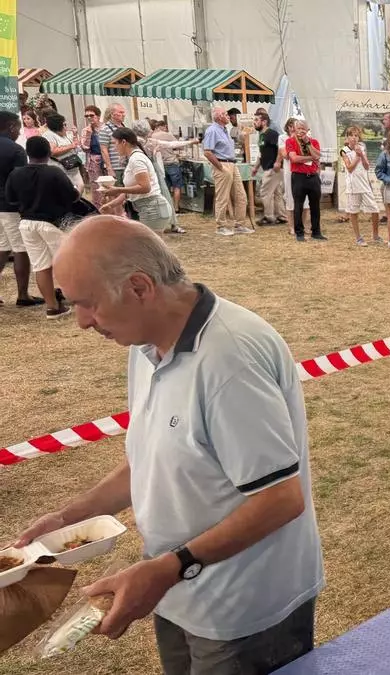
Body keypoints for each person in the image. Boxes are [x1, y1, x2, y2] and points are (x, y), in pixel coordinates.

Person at [16, 216, 324, 674]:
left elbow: (280, 499)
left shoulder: (229, 359)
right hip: (179, 587)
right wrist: (68, 517)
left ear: (140, 288)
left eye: (88, 304)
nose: (80, 322)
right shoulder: (146, 345)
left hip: (241, 608)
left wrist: (168, 568)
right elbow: (150, 457)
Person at [5, 136, 75, 318]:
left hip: (26, 223)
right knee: (68, 262)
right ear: (48, 152)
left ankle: (52, 306)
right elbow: (72, 195)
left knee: (41, 266)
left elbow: (10, 198)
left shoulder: (16, 174)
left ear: (28, 153)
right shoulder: (54, 172)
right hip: (52, 222)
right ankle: (78, 298)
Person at [98, 128, 176, 235]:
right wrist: (111, 204)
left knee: (147, 247)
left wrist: (117, 189)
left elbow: (145, 187)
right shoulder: (134, 158)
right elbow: (128, 193)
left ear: (124, 142)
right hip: (150, 208)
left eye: (115, 143)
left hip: (152, 208)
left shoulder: (136, 159)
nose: (115, 148)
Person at [0, 111, 40, 308]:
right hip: (10, 205)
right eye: (18, 128)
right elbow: (21, 181)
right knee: (20, 249)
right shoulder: (16, 150)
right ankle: (23, 294)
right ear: (11, 127)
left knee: (2, 247)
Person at [132, 120, 194, 235]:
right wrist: (190, 142)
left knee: (157, 199)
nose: (151, 130)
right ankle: (167, 224)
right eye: (149, 128)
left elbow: (171, 144)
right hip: (151, 175)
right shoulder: (144, 143)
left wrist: (189, 142)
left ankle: (166, 224)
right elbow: (171, 145)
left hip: (150, 174)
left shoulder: (147, 142)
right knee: (161, 198)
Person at [203, 108, 250, 236]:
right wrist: (220, 166)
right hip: (222, 163)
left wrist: (243, 134)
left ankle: (240, 224)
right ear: (218, 117)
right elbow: (207, 151)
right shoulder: (212, 130)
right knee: (222, 197)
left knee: (241, 195)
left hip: (232, 163)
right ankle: (221, 226)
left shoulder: (225, 130)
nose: (228, 116)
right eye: (224, 114)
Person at [339, 126, 380, 247]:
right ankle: (358, 238)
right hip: (353, 186)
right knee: (354, 212)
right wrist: (357, 156)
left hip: (365, 185)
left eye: (356, 135)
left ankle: (376, 235)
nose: (354, 138)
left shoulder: (362, 148)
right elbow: (350, 168)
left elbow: (367, 166)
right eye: (351, 135)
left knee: (375, 210)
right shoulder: (344, 150)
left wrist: (361, 154)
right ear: (347, 137)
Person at [285, 121, 324, 242]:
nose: (301, 130)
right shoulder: (290, 141)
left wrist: (308, 144)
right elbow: (294, 158)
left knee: (315, 205)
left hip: (313, 176)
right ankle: (299, 233)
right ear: (294, 130)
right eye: (298, 128)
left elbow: (317, 155)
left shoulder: (314, 141)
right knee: (298, 205)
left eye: (303, 128)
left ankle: (316, 232)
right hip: (298, 176)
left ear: (307, 130)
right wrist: (311, 158)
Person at [250, 111, 287, 226]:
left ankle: (269, 217)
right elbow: (261, 154)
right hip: (268, 167)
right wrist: (256, 167)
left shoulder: (272, 134)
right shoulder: (261, 136)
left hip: (273, 168)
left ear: (264, 122)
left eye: (256, 120)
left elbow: (280, 149)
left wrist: (277, 162)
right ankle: (282, 216)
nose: (254, 123)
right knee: (276, 192)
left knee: (265, 192)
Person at [41, 113, 85, 192]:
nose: (65, 126)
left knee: (80, 187)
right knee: (67, 191)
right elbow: (53, 151)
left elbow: (76, 145)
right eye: (64, 124)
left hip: (73, 167)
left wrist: (75, 134)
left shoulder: (65, 134)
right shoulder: (49, 135)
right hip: (61, 169)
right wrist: (71, 146)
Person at [98, 103, 127, 186]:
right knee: (118, 192)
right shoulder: (105, 129)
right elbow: (104, 150)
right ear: (112, 114)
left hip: (126, 165)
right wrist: (109, 169)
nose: (123, 114)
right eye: (120, 112)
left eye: (123, 112)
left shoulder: (123, 127)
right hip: (116, 167)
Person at [81, 105, 105, 200]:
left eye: (92, 115)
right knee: (96, 187)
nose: (89, 118)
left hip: (107, 159)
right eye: (87, 116)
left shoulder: (105, 128)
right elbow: (85, 148)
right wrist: (88, 134)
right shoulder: (85, 130)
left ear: (98, 116)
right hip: (94, 161)